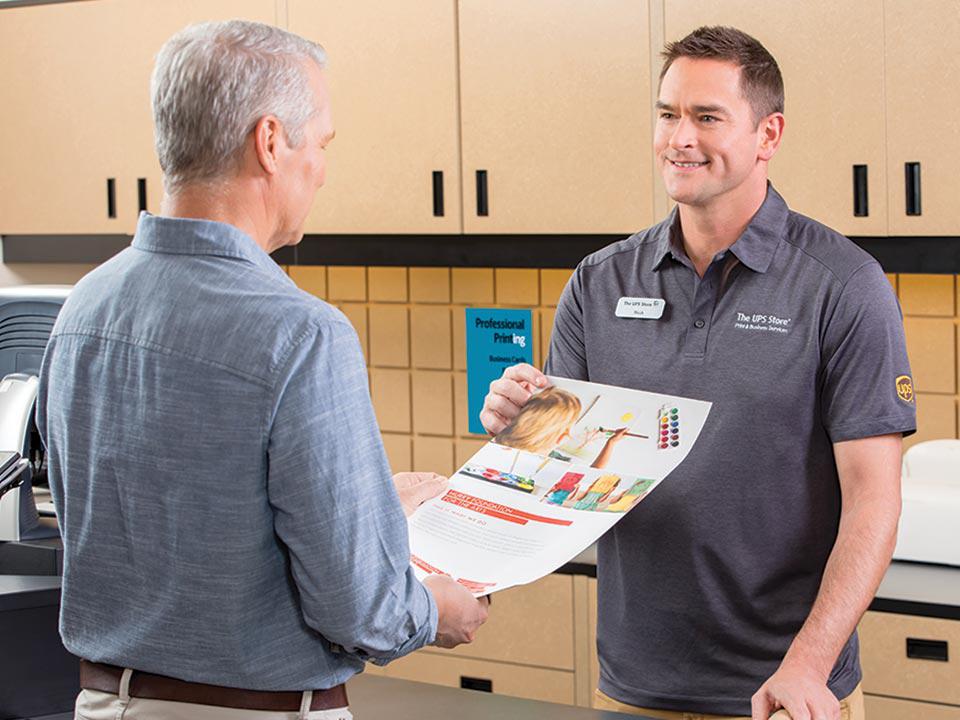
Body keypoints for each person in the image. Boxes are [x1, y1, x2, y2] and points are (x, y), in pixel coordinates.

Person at [36, 20, 487, 720]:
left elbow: (161, 523)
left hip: (103, 703)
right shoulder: (302, 333)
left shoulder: (83, 309)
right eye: (323, 142)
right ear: (271, 142)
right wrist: (437, 611)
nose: (325, 166)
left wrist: (368, 510)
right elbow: (362, 610)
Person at [481, 25, 913, 720]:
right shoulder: (598, 283)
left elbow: (874, 502)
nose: (679, 137)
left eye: (706, 117)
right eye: (667, 114)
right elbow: (568, 482)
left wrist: (807, 665)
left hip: (783, 690)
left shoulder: (843, 286)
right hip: (632, 687)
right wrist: (519, 434)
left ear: (768, 134)